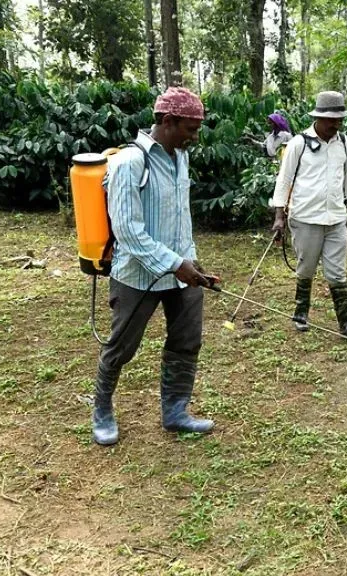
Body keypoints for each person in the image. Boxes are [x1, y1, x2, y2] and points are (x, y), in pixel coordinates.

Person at [92, 86, 218, 446]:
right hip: (137, 275)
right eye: (190, 129)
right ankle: (101, 409)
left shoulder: (181, 157)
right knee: (122, 347)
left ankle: (175, 411)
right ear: (167, 121)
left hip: (182, 270)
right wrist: (175, 264)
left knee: (186, 340)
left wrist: (190, 263)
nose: (195, 137)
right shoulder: (129, 163)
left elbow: (181, 216)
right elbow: (128, 230)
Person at [268, 91, 347, 343]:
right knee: (306, 268)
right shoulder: (298, 144)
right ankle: (301, 313)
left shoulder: (345, 143)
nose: (335, 124)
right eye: (330, 120)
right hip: (305, 218)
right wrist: (279, 216)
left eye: (339, 120)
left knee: (337, 273)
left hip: (336, 219)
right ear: (318, 118)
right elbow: (284, 181)